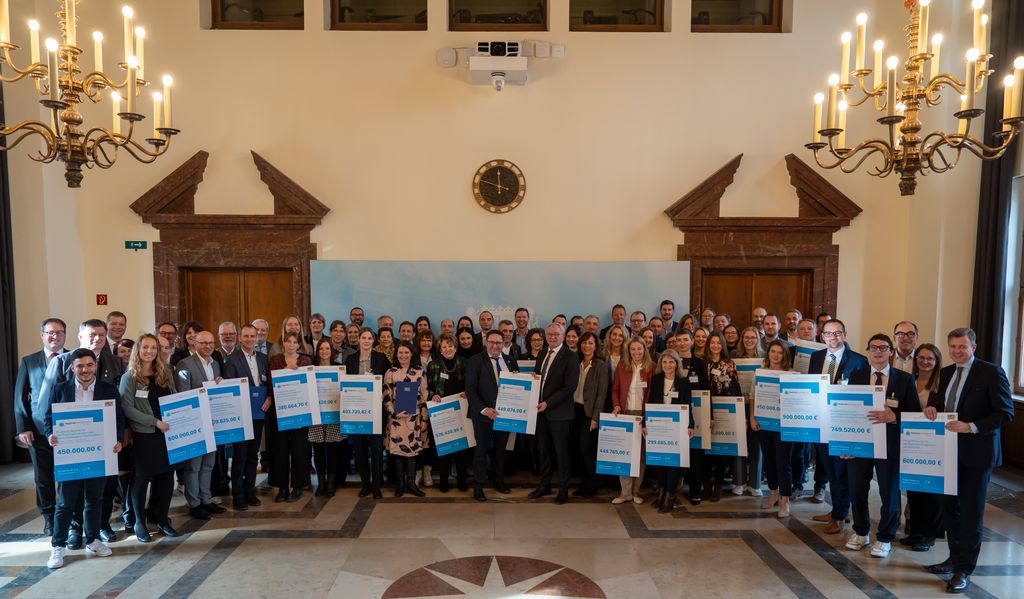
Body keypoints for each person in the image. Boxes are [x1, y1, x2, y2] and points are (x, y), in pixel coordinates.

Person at [926, 328, 1014, 594]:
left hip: (977, 454)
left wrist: (972, 426)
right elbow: (945, 407)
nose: (956, 351)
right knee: (949, 509)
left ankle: (965, 569)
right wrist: (933, 410)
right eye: (952, 347)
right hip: (947, 452)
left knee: (971, 513)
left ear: (973, 347)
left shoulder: (991, 372)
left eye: (962, 347)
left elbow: (1005, 412)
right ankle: (954, 558)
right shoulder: (946, 373)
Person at [42, 349, 124, 569]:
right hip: (70, 456)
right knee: (65, 503)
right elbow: (48, 417)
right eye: (80, 366)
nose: (85, 370)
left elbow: (118, 418)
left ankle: (93, 540)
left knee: (94, 500)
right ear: (72, 368)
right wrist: (50, 434)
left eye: (89, 365)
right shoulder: (60, 389)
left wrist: (118, 439)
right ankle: (57, 546)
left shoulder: (108, 390)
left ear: (95, 366)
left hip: (98, 454)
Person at [845, 334, 918, 558]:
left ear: (890, 352)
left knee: (889, 492)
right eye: (873, 348)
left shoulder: (904, 379)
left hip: (890, 445)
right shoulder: (855, 376)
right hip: (861, 443)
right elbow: (846, 412)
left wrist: (894, 417)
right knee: (857, 489)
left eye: (883, 348)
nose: (878, 352)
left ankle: (885, 537)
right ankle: (860, 531)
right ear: (868, 352)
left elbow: (914, 414)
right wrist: (844, 444)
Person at [808, 319, 869, 534]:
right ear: (822, 336)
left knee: (843, 470)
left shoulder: (859, 361)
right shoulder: (815, 358)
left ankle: (840, 515)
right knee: (829, 468)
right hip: (822, 423)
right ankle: (836, 509)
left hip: (846, 424)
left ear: (844, 334)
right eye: (829, 333)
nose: (833, 337)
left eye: (838, 333)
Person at [119, 334, 179, 542]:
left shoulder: (165, 372)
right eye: (145, 347)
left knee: (165, 479)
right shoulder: (130, 378)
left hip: (167, 434)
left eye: (153, 348)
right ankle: (139, 522)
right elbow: (126, 408)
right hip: (146, 436)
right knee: (141, 480)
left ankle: (162, 519)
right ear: (138, 349)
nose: (150, 351)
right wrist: (154, 422)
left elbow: (174, 398)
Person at [15, 318, 67, 537]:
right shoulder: (29, 361)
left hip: (69, 429)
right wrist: (22, 427)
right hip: (37, 430)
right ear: (42, 335)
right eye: (50, 332)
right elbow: (20, 396)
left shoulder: (73, 358)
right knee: (43, 478)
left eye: (59, 332)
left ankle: (68, 516)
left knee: (68, 476)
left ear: (65, 334)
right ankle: (49, 517)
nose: (54, 336)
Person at [175, 331, 225, 519]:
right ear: (195, 344)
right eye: (203, 343)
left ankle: (206, 499)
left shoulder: (216, 364)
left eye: (211, 343)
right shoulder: (184, 364)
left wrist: (220, 384)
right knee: (194, 466)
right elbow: (183, 394)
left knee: (209, 464)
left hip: (213, 421)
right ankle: (194, 503)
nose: (208, 346)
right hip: (195, 421)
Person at [529, 323, 580, 505]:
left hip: (560, 414)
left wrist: (548, 403)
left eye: (556, 334)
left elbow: (569, 387)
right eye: (549, 334)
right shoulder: (543, 353)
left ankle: (563, 489)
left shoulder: (571, 357)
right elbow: (536, 379)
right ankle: (545, 485)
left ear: (563, 336)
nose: (552, 337)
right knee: (543, 451)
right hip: (540, 413)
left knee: (561, 453)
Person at [465, 330, 519, 501]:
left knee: (500, 450)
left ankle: (499, 481)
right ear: (486, 343)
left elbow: (518, 386)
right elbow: (470, 390)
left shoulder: (511, 361)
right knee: (481, 450)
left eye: (499, 342)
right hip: (482, 414)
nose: (495, 346)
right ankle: (479, 486)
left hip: (505, 415)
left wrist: (529, 379)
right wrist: (484, 409)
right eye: (492, 342)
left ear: (504, 343)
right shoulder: (475, 361)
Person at [901, 343, 944, 552]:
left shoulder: (942, 384)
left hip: (934, 443)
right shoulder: (909, 380)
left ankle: (928, 535)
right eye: (921, 358)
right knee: (914, 487)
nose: (925, 362)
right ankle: (915, 531)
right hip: (912, 442)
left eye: (930, 358)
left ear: (936, 362)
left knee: (932, 491)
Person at [223, 324, 270, 510]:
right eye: (246, 336)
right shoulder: (232, 359)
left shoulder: (263, 358)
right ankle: (238, 494)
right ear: (240, 338)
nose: (250, 339)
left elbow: (268, 382)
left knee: (253, 455)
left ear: (257, 337)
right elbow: (229, 387)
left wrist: (269, 397)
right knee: (240, 455)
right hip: (240, 415)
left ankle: (250, 491)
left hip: (258, 413)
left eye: (253, 335)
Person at [344, 328, 392, 499]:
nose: (365, 340)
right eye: (363, 337)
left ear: (374, 341)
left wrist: (383, 394)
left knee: (377, 450)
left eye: (369, 338)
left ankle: (377, 486)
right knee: (360, 450)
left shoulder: (381, 359)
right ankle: (365, 485)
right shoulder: (350, 360)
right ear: (358, 340)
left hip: (376, 412)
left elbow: (388, 383)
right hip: (356, 413)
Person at [267, 332, 313, 502]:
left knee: (299, 449)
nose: (292, 344)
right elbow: (271, 383)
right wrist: (286, 372)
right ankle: (282, 487)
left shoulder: (306, 361)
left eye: (295, 342)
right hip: (280, 412)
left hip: (300, 411)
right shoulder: (276, 361)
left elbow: (310, 384)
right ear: (283, 343)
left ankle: (298, 486)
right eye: (288, 341)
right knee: (280, 450)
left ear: (299, 345)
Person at [751, 340, 795, 517]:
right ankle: (773, 494)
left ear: (785, 355)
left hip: (784, 425)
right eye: (773, 351)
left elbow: (797, 399)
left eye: (780, 352)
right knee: (769, 460)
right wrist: (752, 417)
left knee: (783, 462)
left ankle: (785, 500)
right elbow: (752, 396)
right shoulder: (760, 373)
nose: (776, 355)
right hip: (764, 423)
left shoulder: (791, 374)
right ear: (768, 353)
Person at [648, 349, 693, 513]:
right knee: (660, 461)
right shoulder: (656, 380)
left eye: (671, 362)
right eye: (664, 362)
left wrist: (690, 425)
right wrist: (647, 423)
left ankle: (669, 496)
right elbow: (651, 402)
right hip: (659, 426)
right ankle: (660, 491)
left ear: (677, 363)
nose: (667, 365)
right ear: (661, 364)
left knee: (673, 463)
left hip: (677, 427)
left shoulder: (683, 382)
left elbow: (688, 404)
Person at [383, 341, 430, 497]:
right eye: (400, 353)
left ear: (412, 354)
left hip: (414, 418)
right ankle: (400, 485)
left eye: (406, 353)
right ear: (396, 355)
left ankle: (411, 484)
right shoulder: (390, 372)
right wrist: (393, 411)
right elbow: (386, 395)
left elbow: (424, 395)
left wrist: (424, 419)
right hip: (396, 419)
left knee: (412, 452)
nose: (403, 355)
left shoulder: (419, 371)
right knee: (397, 452)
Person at [610, 337, 654, 504]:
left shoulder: (652, 367)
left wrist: (648, 417)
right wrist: (616, 406)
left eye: (639, 349)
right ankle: (625, 492)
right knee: (625, 455)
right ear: (628, 351)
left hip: (643, 415)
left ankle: (636, 491)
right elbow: (615, 390)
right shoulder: (622, 366)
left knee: (640, 456)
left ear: (644, 349)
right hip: (625, 413)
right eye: (633, 349)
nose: (636, 352)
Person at [426, 333, 470, 493]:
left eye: (450, 346)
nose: (448, 349)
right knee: (444, 449)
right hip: (442, 412)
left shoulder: (465, 363)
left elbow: (471, 385)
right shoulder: (433, 365)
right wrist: (433, 396)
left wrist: (468, 392)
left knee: (461, 449)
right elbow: (428, 388)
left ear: (455, 347)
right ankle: (443, 481)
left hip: (461, 410)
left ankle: (461, 480)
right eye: (444, 347)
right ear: (440, 349)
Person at [702, 331, 740, 501]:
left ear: (722, 345)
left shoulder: (729, 364)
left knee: (721, 451)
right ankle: (707, 484)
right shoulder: (702, 363)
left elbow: (735, 388)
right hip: (704, 410)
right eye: (712, 342)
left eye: (719, 342)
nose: (715, 345)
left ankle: (718, 485)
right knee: (705, 449)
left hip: (724, 410)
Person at [676, 328, 709, 504]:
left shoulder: (700, 363)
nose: (682, 343)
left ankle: (696, 491)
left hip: (696, 413)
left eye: (685, 340)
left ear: (691, 341)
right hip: (675, 414)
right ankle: (671, 490)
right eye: (679, 340)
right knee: (675, 452)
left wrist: (709, 416)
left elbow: (707, 390)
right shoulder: (671, 361)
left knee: (695, 453)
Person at [572, 332, 607, 499]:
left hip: (589, 413)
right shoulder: (575, 362)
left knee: (587, 450)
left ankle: (592, 486)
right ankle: (583, 484)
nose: (587, 346)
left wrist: (595, 417)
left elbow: (602, 394)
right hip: (574, 411)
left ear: (596, 345)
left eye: (590, 343)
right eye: (584, 343)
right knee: (578, 449)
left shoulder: (600, 365)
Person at [309, 338, 344, 497]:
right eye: (321, 349)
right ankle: (321, 483)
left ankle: (331, 483)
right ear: (317, 352)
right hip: (316, 416)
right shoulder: (311, 369)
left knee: (333, 450)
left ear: (332, 351)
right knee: (318, 451)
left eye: (327, 349)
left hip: (334, 413)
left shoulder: (339, 369)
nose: (324, 351)